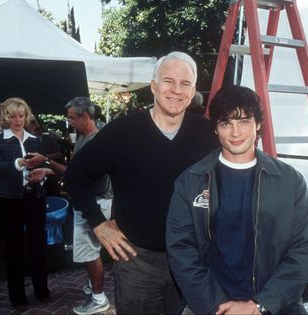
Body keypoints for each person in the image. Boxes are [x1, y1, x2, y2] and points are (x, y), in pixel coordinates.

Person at [64, 51, 219, 315]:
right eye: (168, 81)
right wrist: (98, 225)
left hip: (193, 259)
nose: (176, 90)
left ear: (193, 91)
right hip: (137, 259)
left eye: (185, 84)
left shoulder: (208, 134)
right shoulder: (122, 131)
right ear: (154, 86)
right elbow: (75, 176)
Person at [166, 85, 308, 315]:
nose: (235, 133)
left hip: (276, 306)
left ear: (258, 125)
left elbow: (305, 247)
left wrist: (262, 304)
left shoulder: (289, 181)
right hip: (212, 307)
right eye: (226, 123)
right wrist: (216, 305)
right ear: (216, 129)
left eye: (244, 122)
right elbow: (181, 250)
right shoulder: (191, 181)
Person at [28, 97, 112, 315]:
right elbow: (73, 170)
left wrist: (45, 162)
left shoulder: (96, 141)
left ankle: (99, 298)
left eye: (72, 118)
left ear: (85, 116)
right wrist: (46, 171)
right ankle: (93, 286)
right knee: (88, 252)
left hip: (94, 203)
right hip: (89, 202)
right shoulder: (85, 137)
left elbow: (76, 174)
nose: (69, 122)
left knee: (89, 253)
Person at [0, 97, 51, 311]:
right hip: (9, 201)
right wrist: (20, 163)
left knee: (38, 246)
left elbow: (44, 167)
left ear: (26, 117)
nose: (17, 120)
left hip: (34, 197)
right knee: (14, 249)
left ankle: (42, 291)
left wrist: (40, 177)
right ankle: (18, 298)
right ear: (5, 117)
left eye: (21, 116)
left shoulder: (36, 140)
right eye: (12, 116)